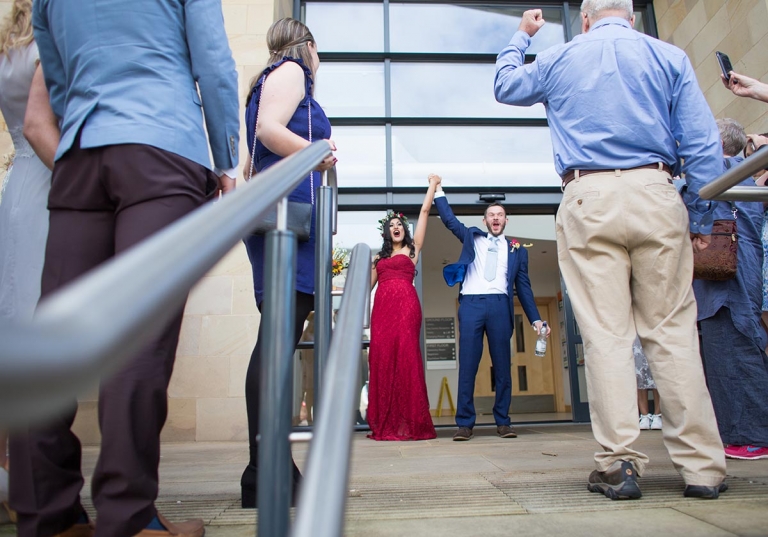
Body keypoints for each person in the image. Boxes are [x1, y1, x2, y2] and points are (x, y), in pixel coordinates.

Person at [11, 0, 240, 535]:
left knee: (51, 338)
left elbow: (60, 79)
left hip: (83, 154)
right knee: (140, 337)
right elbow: (213, 64)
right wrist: (228, 159)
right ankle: (127, 518)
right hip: (162, 148)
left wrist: (87, 129)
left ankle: (49, 516)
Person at [494, 1, 727, 500]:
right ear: (632, 17)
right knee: (673, 332)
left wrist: (520, 35)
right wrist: (703, 218)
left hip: (588, 194)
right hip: (657, 191)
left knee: (607, 335)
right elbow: (704, 144)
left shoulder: (560, 58)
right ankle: (703, 468)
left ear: (585, 18)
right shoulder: (667, 56)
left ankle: (619, 465)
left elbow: (506, 86)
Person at [240, 17, 336, 509]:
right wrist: (319, 151)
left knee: (278, 341)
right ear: (309, 46)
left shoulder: (268, 78)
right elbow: (269, 130)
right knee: (276, 343)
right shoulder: (293, 70)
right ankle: (265, 469)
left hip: (283, 221)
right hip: (288, 224)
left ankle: (266, 467)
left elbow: (250, 163)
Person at [0, 0, 59, 527]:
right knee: (38, 320)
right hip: (46, 180)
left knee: (14, 318)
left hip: (15, 183)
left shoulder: (6, 50)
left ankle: (10, 463)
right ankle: (25, 470)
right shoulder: (49, 42)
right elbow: (45, 127)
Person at [434, 181, 548, 441]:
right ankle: (464, 424)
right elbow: (449, 220)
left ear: (506, 220)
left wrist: (536, 320)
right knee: (468, 366)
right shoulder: (472, 238)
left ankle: (503, 422)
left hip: (499, 306)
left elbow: (524, 289)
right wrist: (438, 190)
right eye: (491, 215)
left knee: (503, 367)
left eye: (500, 215)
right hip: (471, 305)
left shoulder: (517, 250)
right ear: (484, 220)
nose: (495, 219)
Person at [692, 119, 768, 461]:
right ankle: (739, 432)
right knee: (736, 352)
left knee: (733, 356)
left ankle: (751, 435)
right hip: (741, 276)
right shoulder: (749, 176)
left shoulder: (722, 173)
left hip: (724, 283)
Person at [366, 174, 441, 441]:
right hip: (383, 312)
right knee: (383, 358)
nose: (396, 227)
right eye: (391, 225)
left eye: (399, 224)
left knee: (407, 358)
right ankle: (386, 421)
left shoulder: (413, 249)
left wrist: (433, 185)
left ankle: (411, 422)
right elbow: (365, 288)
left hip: (407, 308)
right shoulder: (378, 258)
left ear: (404, 229)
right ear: (386, 232)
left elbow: (424, 211)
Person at [633, 338, 661, 431]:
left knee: (657, 370)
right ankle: (644, 415)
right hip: (635, 333)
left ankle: (658, 415)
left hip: (654, 330)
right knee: (638, 371)